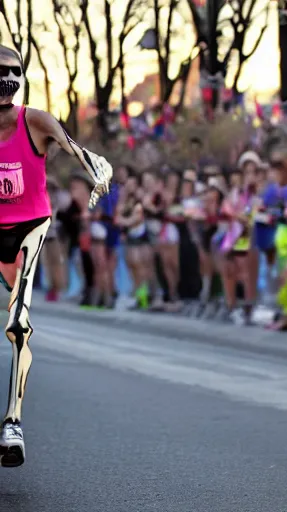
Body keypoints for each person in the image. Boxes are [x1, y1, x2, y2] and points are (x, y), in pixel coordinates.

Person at [0, 45, 112, 467]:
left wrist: (99, 170)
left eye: (13, 72)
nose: (5, 80)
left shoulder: (35, 120)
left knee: (19, 322)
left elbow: (77, 150)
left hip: (30, 227)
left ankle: (13, 421)